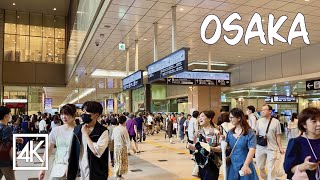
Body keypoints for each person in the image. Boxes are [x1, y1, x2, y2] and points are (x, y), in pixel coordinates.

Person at [67, 101, 109, 179]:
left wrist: (86, 135)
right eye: (83, 111)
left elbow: (97, 151)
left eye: (87, 112)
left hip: (96, 172)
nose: (83, 114)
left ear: (96, 115)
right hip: (79, 171)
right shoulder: (77, 129)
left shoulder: (103, 131)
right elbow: (72, 151)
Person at [39, 104, 76, 180]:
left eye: (67, 114)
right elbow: (48, 150)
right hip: (58, 168)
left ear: (74, 115)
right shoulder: (56, 130)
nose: (63, 117)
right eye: (62, 114)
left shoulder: (79, 131)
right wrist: (42, 168)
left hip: (75, 168)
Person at [284, 107, 320, 180]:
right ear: (304, 125)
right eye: (314, 121)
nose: (319, 124)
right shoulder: (296, 143)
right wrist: (304, 166)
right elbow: (289, 169)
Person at [225, 108, 258, 179]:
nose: (230, 119)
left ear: (239, 118)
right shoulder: (230, 133)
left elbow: (252, 150)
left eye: (232, 117)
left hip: (245, 163)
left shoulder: (250, 133)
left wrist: (246, 165)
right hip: (232, 165)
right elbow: (225, 147)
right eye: (229, 117)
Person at [187, 110, 221, 180]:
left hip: (212, 163)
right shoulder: (198, 133)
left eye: (202, 116)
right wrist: (190, 146)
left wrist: (210, 148)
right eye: (199, 117)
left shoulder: (216, 132)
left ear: (209, 119)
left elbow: (221, 148)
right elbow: (196, 147)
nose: (200, 118)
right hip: (201, 164)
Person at [255, 104, 284, 180]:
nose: (262, 111)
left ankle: (270, 178)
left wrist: (280, 147)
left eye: (265, 110)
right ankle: (265, 178)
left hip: (272, 147)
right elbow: (256, 134)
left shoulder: (276, 122)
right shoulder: (259, 121)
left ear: (270, 111)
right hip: (260, 147)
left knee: (271, 168)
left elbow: (278, 135)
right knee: (260, 166)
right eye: (262, 110)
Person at [0, 106, 15, 180]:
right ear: (6, 116)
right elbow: (8, 148)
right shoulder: (7, 128)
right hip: (5, 161)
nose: (10, 116)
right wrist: (13, 161)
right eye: (10, 114)